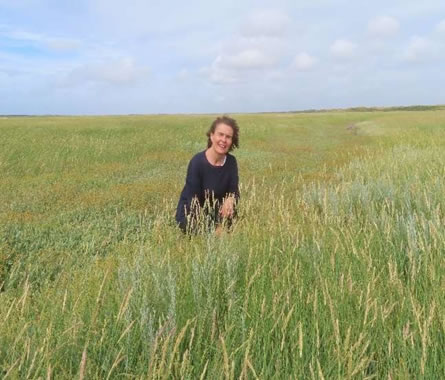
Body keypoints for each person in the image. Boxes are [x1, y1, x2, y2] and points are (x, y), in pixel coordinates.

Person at [175, 116, 240, 234]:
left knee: (236, 223)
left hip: (217, 209)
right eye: (220, 134)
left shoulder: (231, 162)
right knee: (192, 226)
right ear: (212, 136)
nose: (224, 140)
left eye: (228, 137)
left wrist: (230, 200)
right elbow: (193, 202)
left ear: (232, 141)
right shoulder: (197, 162)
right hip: (193, 210)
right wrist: (213, 228)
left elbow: (234, 191)